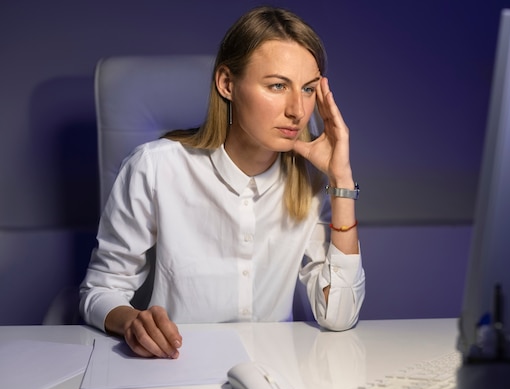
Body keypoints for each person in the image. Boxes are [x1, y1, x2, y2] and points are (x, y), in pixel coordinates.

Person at [79, 5, 365, 359]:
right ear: (227, 83)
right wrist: (131, 322)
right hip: (179, 370)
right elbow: (100, 289)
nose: (296, 109)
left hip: (275, 381)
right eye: (277, 85)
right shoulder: (154, 168)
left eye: (308, 89)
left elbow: (338, 317)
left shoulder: (308, 182)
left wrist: (342, 180)